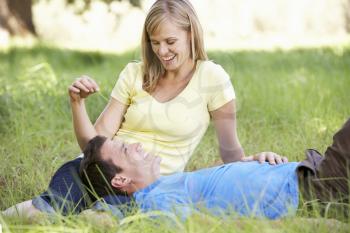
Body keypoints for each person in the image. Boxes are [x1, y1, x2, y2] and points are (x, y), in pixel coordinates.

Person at [2, 0, 287, 217]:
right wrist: (77, 104)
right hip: (96, 171)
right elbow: (95, 143)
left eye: (170, 42)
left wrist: (255, 163)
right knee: (45, 210)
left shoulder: (213, 79)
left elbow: (229, 152)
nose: (162, 51)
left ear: (191, 34)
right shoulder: (134, 73)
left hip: (146, 187)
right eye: (155, 43)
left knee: (108, 217)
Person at [79, 118, 350, 220]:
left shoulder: (173, 183)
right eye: (126, 150)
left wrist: (258, 160)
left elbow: (227, 187)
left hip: (308, 173)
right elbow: (205, 223)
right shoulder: (156, 201)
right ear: (121, 179)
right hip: (314, 193)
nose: (136, 145)